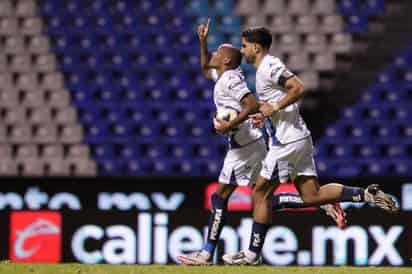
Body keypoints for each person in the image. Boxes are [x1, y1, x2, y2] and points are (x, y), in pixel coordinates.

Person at [222, 27, 399, 265]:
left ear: (256, 47)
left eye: (244, 46)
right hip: (298, 138)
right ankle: (366, 194)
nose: (242, 50)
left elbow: (299, 87)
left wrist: (274, 109)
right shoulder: (264, 70)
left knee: (260, 193)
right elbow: (278, 102)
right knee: (312, 195)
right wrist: (266, 115)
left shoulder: (268, 66)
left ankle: (252, 255)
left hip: (286, 142)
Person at [176, 20, 346, 266]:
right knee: (263, 199)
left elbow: (252, 105)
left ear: (225, 61)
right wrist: (202, 43)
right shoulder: (224, 75)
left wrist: (228, 124)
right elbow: (205, 68)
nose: (212, 56)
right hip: (250, 144)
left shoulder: (231, 80)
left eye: (217, 53)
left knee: (221, 196)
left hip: (245, 148)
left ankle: (205, 254)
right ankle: (323, 203)